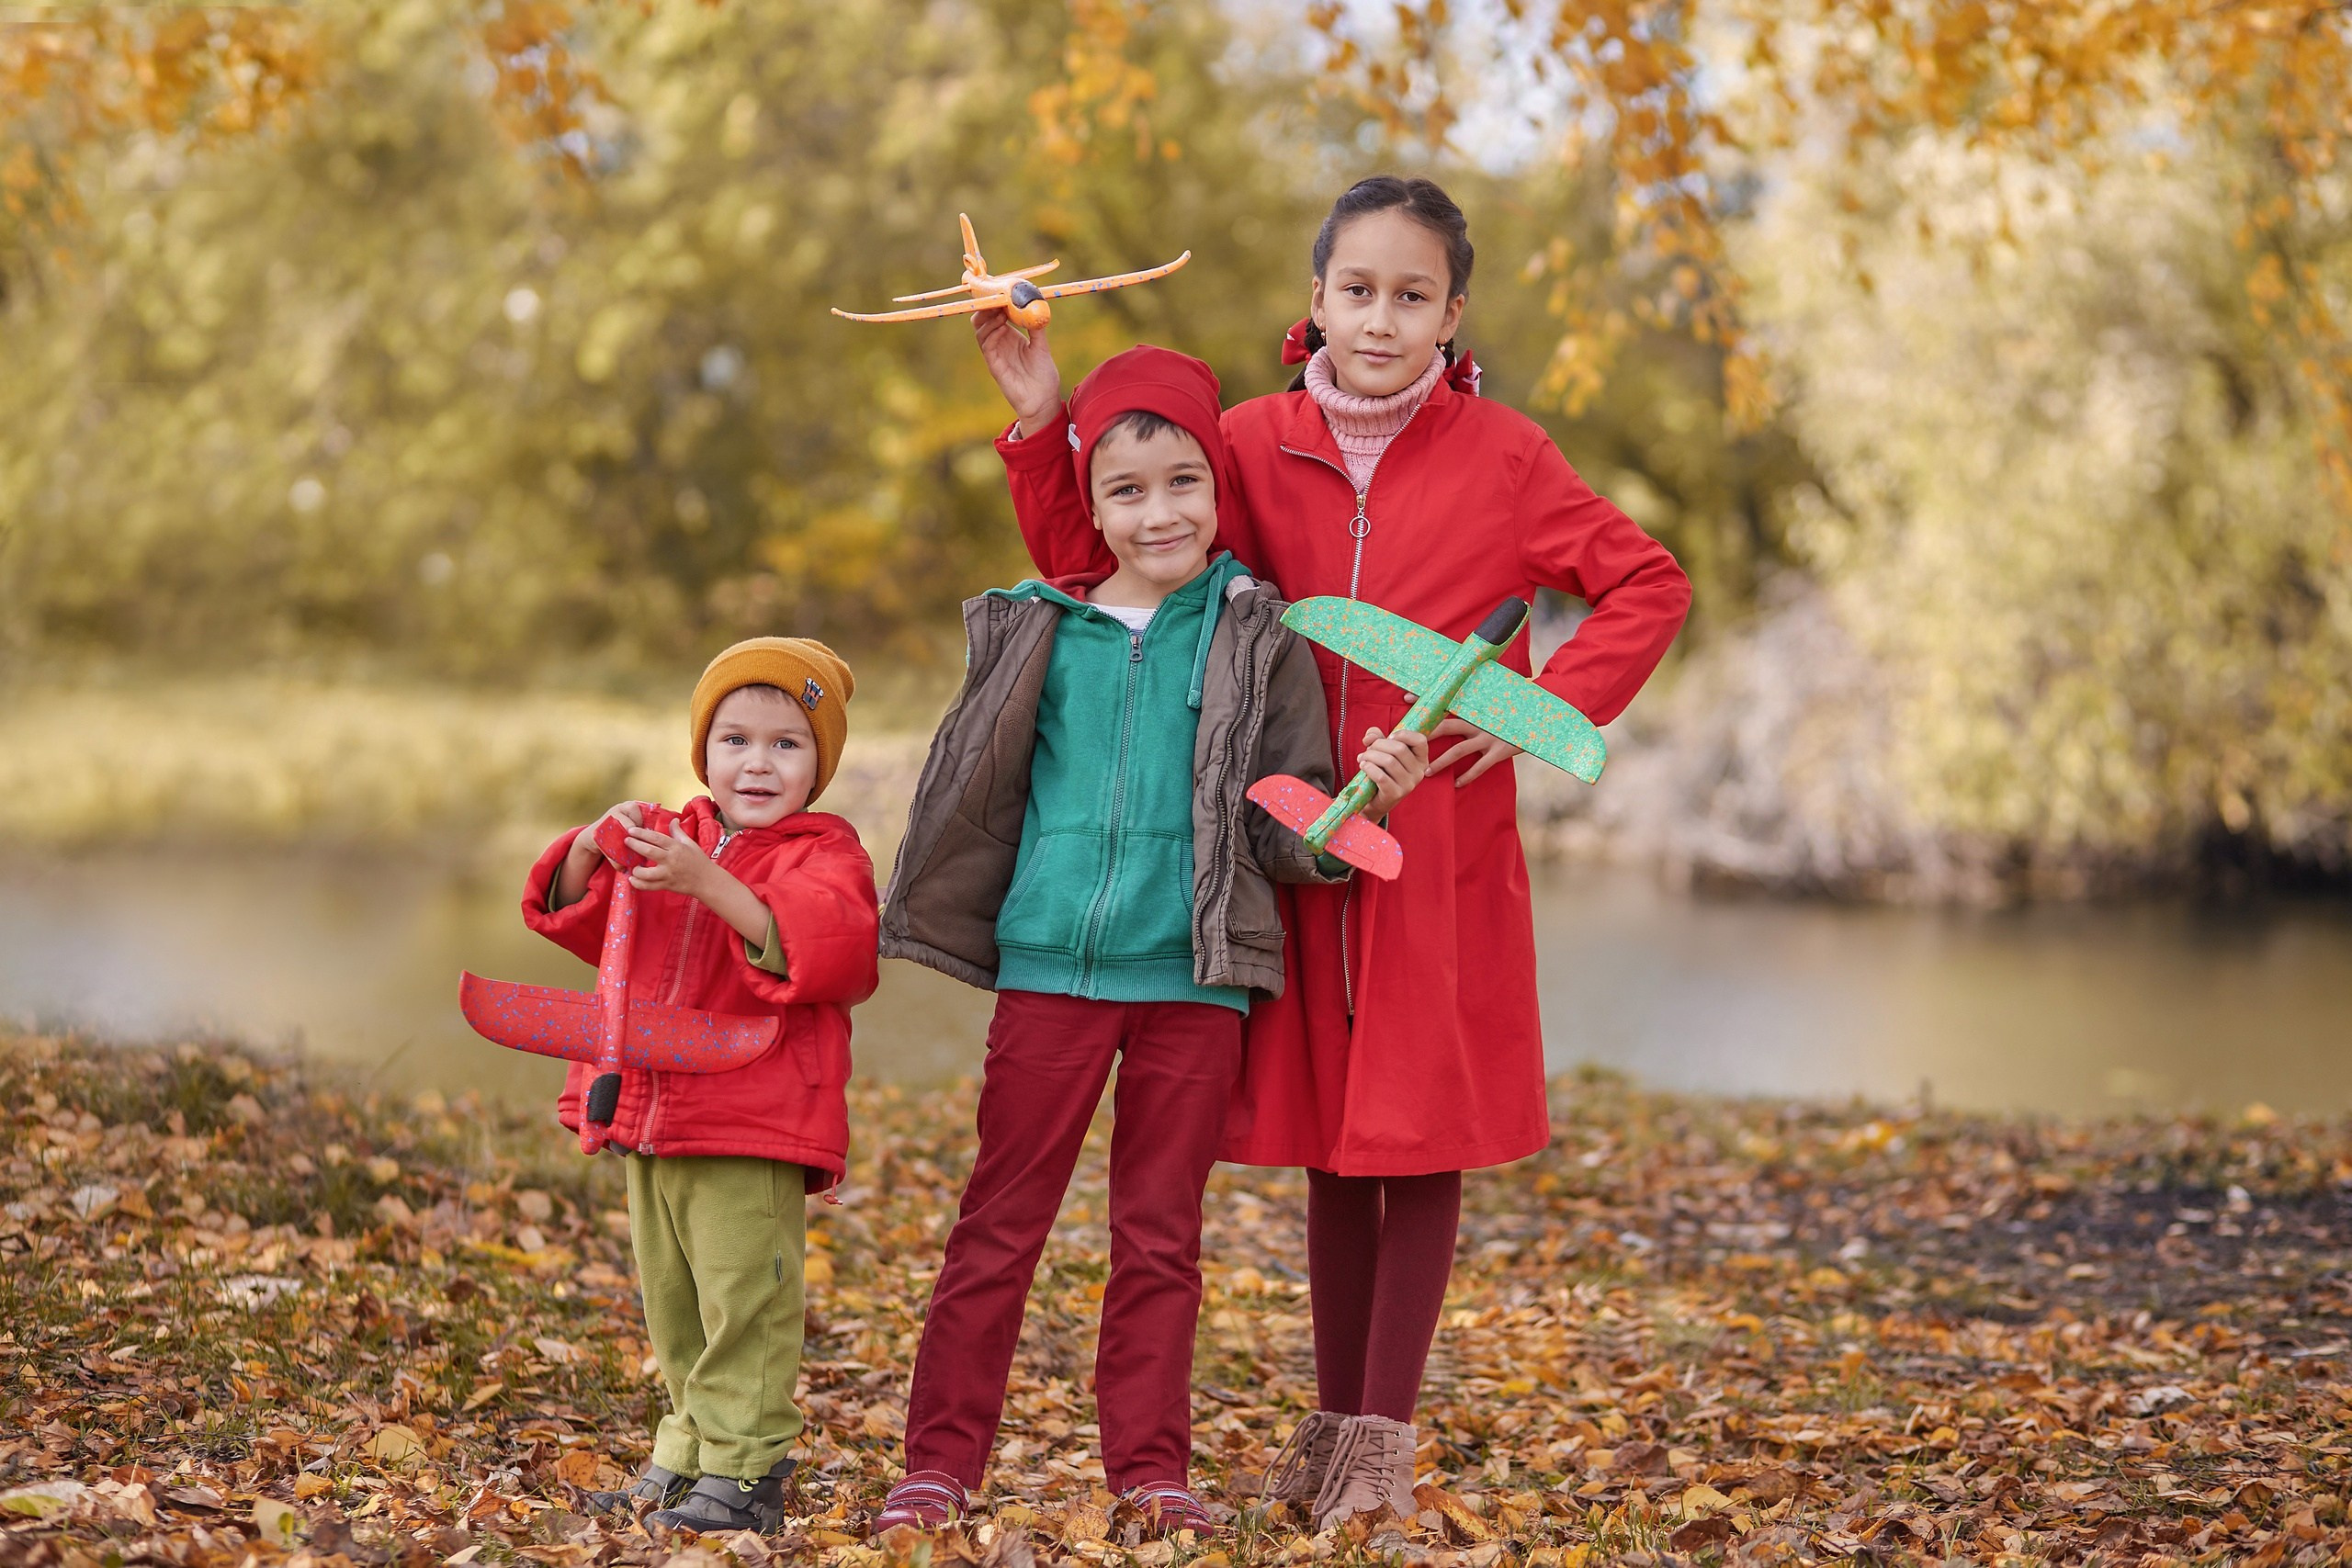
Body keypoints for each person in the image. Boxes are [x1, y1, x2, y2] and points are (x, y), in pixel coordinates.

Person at [971, 176, 1692, 1528]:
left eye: (1412, 295)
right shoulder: (1244, 443)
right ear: (1315, 302)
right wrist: (1036, 424)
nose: (1381, 316)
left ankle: (1383, 1437)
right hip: (1293, 832)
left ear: (1451, 314)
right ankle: (1331, 1417)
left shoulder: (1508, 457)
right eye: (1357, 289)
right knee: (1331, 1139)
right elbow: (1099, 557)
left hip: (1442, 845)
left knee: (1418, 1139)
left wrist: (1538, 710)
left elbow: (1647, 581)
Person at [871, 345, 1430, 1535]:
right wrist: (1032, 415)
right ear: (1092, 499)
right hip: (1050, 971)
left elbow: (1290, 818)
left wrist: (1352, 811)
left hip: (1196, 978)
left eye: (1183, 480)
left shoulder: (1258, 631)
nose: (1158, 510)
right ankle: (938, 1463)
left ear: (1217, 488)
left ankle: (1149, 1472)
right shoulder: (1045, 624)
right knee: (997, 1224)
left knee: (1161, 1239)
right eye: (1126, 489)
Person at [522, 638, 880, 1534]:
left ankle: (747, 1470)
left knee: (742, 1303)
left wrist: (707, 881)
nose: (757, 763)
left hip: (751, 1116)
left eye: (786, 744)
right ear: (704, 751)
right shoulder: (672, 834)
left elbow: (828, 951)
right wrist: (589, 845)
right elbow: (578, 913)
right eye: (735, 740)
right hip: (651, 1105)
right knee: (674, 1302)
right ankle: (685, 1459)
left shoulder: (825, 854)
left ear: (818, 764)